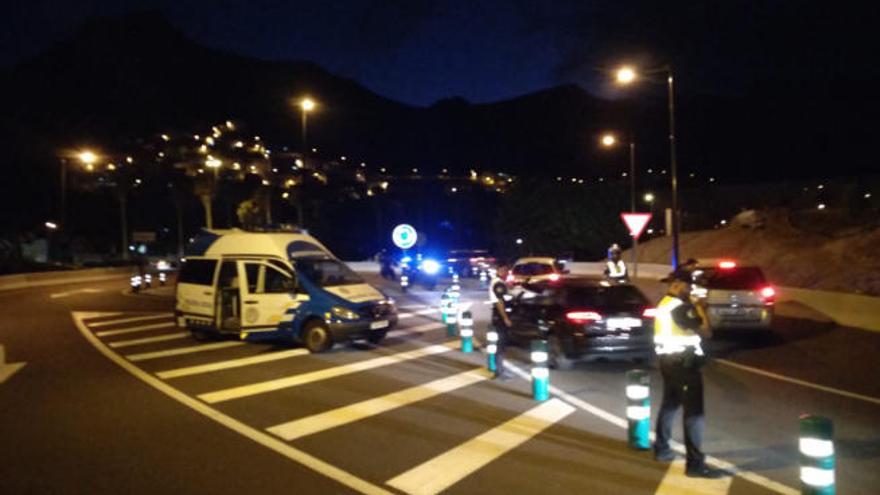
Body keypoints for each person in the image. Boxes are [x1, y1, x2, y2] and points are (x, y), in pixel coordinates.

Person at [653, 271, 726, 479]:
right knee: (695, 414)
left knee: (670, 404)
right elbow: (706, 331)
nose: (690, 290)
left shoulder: (664, 304)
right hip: (683, 365)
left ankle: (661, 449)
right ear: (678, 285)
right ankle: (694, 464)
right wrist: (701, 307)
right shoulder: (680, 307)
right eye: (688, 286)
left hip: (668, 362)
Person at [488, 263, 513, 380]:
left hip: (498, 317)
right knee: (501, 344)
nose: (506, 272)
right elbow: (499, 302)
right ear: (498, 270)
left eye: (507, 270)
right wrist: (505, 318)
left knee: (501, 344)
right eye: (504, 270)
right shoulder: (498, 283)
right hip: (499, 317)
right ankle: (500, 372)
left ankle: (500, 370)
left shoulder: (499, 282)